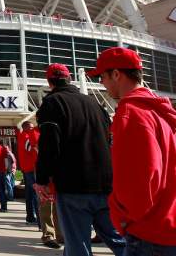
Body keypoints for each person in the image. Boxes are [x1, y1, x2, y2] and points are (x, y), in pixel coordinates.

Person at [88, 47, 176, 254]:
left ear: (116, 74)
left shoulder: (131, 113)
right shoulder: (158, 110)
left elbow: (141, 178)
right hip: (167, 223)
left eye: (102, 76)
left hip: (149, 232)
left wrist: (125, 220)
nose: (101, 83)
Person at [35, 63, 125, 255]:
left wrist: (42, 179)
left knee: (78, 245)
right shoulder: (95, 104)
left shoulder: (52, 103)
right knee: (118, 239)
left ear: (50, 82)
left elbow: (49, 144)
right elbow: (110, 140)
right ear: (69, 79)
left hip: (73, 185)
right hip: (105, 183)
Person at [17, 121, 40, 224]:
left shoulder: (21, 136)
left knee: (30, 195)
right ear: (26, 128)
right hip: (32, 168)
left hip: (27, 169)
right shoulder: (26, 137)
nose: (33, 129)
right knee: (36, 194)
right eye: (31, 127)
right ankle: (39, 219)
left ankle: (30, 217)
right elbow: (32, 148)